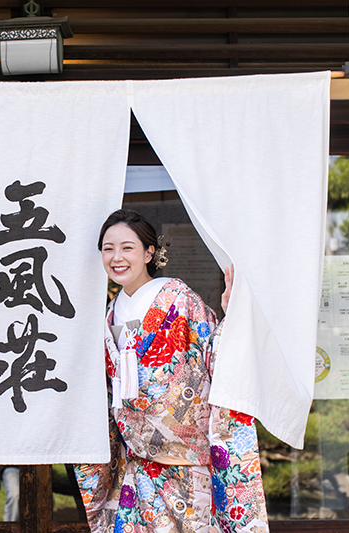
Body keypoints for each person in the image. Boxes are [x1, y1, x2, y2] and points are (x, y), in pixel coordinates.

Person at [74, 209, 269, 533]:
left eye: (127, 248)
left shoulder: (179, 298)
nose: (116, 257)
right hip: (137, 468)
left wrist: (231, 321)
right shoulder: (109, 313)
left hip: (189, 469)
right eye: (108, 249)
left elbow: (214, 354)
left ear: (149, 253)